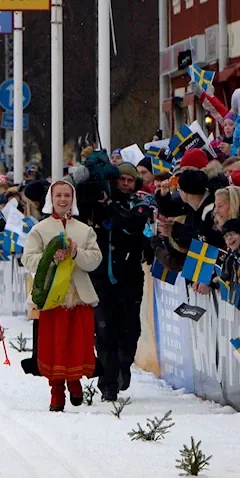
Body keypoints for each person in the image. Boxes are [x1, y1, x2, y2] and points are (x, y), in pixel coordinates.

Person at [21, 179, 102, 412]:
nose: (63, 200)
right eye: (58, 196)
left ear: (72, 199)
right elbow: (28, 259)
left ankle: (74, 381)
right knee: (54, 346)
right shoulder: (40, 229)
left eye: (67, 195)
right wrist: (49, 258)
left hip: (78, 297)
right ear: (51, 199)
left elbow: (95, 260)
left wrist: (77, 254)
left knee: (77, 344)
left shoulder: (84, 230)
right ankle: (56, 391)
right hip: (51, 298)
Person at [89, 163, 150, 400]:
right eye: (121, 179)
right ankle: (108, 382)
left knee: (129, 330)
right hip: (100, 276)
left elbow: (132, 224)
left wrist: (111, 206)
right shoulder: (98, 203)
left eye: (130, 180)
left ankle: (124, 364)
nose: (125, 184)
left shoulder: (140, 203)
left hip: (130, 277)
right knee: (104, 331)